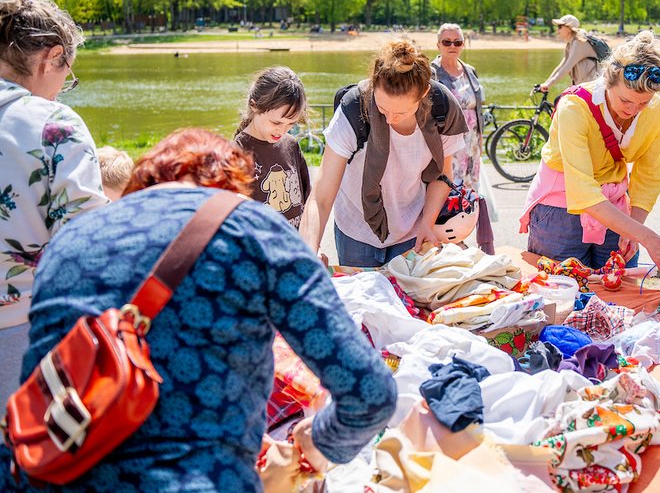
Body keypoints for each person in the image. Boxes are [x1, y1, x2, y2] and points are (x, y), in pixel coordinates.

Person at [0, 129, 397, 491]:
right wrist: (317, 445)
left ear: (143, 185)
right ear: (232, 188)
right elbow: (371, 393)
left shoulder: (70, 241)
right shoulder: (251, 229)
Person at [0, 0, 108, 414]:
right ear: (53, 57)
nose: (64, 88)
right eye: (68, 74)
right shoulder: (54, 125)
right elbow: (84, 250)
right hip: (21, 331)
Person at [520, 31, 660, 272]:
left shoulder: (654, 108)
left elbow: (649, 174)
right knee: (562, 287)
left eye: (643, 102)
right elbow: (583, 191)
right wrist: (647, 236)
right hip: (560, 208)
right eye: (625, 100)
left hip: (615, 206)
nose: (633, 110)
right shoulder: (574, 107)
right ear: (607, 80)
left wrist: (633, 228)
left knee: (621, 288)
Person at [302, 40, 467, 267]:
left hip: (413, 226)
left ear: (424, 94)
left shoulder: (442, 107)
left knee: (408, 291)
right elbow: (320, 196)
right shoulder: (354, 108)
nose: (389, 119)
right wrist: (309, 250)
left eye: (401, 112)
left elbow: (442, 175)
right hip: (356, 228)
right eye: (382, 108)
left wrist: (427, 223)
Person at [430, 23, 494, 253]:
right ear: (438, 45)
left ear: (463, 44)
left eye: (457, 42)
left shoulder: (469, 70)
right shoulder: (432, 72)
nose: (452, 46)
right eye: (447, 42)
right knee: (448, 189)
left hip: (471, 144)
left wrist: (479, 139)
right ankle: (446, 240)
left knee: (469, 190)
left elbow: (477, 106)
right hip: (448, 141)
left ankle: (463, 235)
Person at [233, 66, 311, 228]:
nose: (282, 131)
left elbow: (307, 198)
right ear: (254, 106)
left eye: (291, 123)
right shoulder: (236, 154)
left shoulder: (291, 145)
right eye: (276, 122)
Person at [539, 14, 601, 93]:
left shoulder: (579, 42)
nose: (557, 30)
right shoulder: (570, 44)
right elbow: (561, 66)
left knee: (561, 99)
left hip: (593, 87)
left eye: (560, 27)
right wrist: (546, 83)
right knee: (561, 98)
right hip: (583, 86)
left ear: (569, 28)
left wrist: (549, 84)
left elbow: (567, 66)